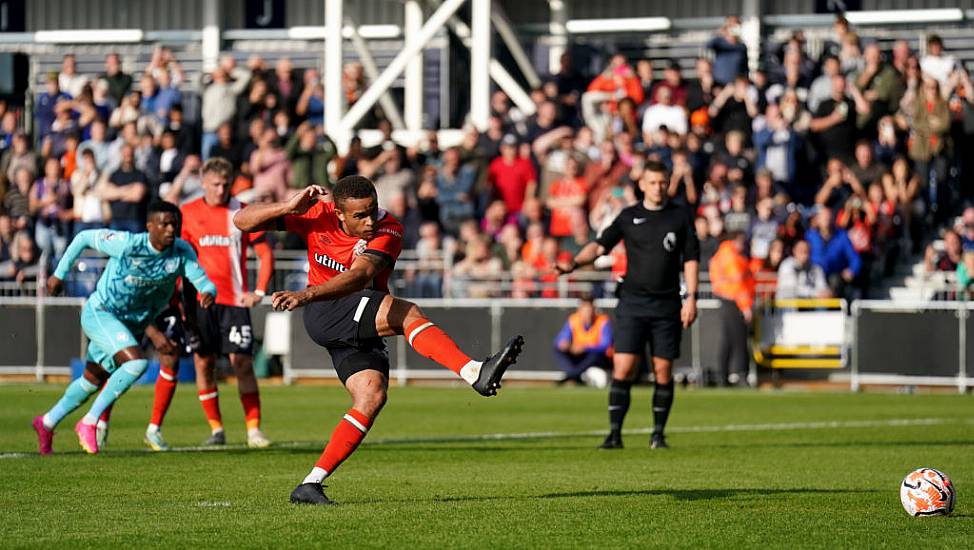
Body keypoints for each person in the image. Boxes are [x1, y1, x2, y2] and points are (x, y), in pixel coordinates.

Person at [232, 176, 525, 505]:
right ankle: (473, 371)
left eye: (372, 210)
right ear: (339, 214)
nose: (370, 221)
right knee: (408, 313)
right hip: (326, 311)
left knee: (371, 396)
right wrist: (288, 206)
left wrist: (305, 293)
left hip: (348, 307)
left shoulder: (390, 229)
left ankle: (310, 483)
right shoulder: (318, 213)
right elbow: (241, 221)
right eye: (360, 216)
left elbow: (359, 276)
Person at [32, 201, 216, 455]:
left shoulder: (181, 252)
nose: (171, 229)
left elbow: (203, 281)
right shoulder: (129, 244)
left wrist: (208, 292)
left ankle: (47, 422)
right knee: (137, 364)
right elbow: (84, 237)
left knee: (92, 380)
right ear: (150, 226)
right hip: (101, 312)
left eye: (175, 223)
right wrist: (59, 274)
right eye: (164, 224)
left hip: (129, 323)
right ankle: (90, 421)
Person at [557, 161, 699, 450]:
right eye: (652, 182)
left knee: (662, 370)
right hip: (632, 303)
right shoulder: (628, 216)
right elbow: (599, 246)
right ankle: (614, 434)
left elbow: (692, 259)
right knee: (623, 368)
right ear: (642, 184)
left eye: (662, 182)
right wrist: (573, 263)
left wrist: (692, 297)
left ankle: (658, 434)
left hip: (666, 305)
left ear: (668, 183)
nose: (658, 187)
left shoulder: (680, 216)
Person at [144, 158, 275, 451]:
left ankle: (254, 430)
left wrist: (258, 290)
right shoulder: (187, 214)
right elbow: (177, 257)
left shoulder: (242, 212)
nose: (220, 189)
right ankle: (216, 429)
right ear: (203, 183)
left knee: (241, 362)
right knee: (203, 363)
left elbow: (265, 253)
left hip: (234, 300)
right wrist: (175, 296)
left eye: (225, 184)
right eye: (215, 184)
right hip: (198, 302)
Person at [708, 232, 755, 386]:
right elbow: (738, 284)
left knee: (728, 340)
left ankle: (723, 376)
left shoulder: (723, 254)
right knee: (739, 340)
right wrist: (746, 307)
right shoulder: (731, 257)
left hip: (725, 298)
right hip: (733, 300)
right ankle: (741, 375)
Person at [553, 296, 612, 385]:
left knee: (595, 355)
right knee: (558, 349)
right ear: (579, 309)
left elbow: (605, 345)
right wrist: (566, 344)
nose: (587, 312)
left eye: (589, 308)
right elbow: (561, 339)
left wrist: (585, 348)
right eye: (584, 308)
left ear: (594, 309)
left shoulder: (603, 321)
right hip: (578, 355)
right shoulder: (573, 319)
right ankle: (575, 376)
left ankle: (571, 377)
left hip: (596, 357)